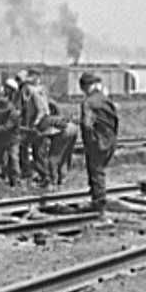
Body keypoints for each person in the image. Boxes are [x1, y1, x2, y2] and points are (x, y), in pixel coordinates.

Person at [79, 72, 119, 214]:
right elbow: (115, 120)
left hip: (97, 140)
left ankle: (99, 203)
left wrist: (89, 141)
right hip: (110, 139)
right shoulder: (106, 100)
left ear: (84, 87)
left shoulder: (88, 102)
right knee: (99, 170)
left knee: (96, 171)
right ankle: (97, 198)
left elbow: (87, 124)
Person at [19, 68, 51, 184]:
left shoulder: (32, 90)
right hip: (38, 123)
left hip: (35, 124)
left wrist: (34, 124)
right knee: (36, 150)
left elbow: (40, 109)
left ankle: (42, 175)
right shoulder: (41, 90)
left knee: (35, 150)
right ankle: (36, 173)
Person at [38, 101, 78, 188]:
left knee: (52, 159)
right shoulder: (52, 114)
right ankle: (63, 179)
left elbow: (43, 143)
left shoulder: (41, 122)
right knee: (64, 156)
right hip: (73, 127)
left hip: (64, 131)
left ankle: (53, 182)